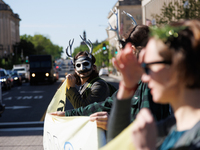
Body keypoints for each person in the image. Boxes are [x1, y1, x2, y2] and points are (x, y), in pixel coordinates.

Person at [51, 25, 171, 133]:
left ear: (132, 50)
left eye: (122, 50)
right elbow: (107, 104)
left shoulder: (151, 81)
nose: (118, 56)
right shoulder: (136, 81)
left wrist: (115, 123)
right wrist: (67, 114)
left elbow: (152, 127)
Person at [115, 20, 200, 149]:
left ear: (175, 67)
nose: (144, 77)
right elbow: (116, 145)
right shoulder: (171, 127)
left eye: (149, 67)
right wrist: (126, 88)